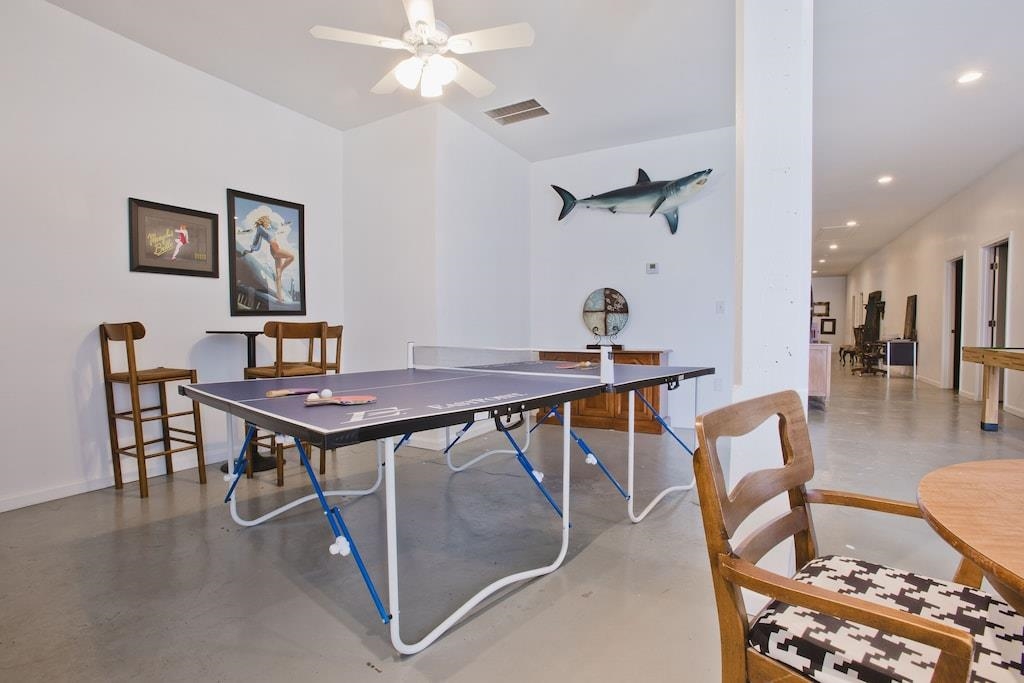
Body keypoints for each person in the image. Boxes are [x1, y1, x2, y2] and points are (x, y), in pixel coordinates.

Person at [246, 215, 295, 303]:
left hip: (274, 249)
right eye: (267, 220)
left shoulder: (270, 229)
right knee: (291, 256)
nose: (269, 222)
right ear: (264, 220)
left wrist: (286, 223)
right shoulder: (260, 228)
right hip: (275, 249)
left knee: (278, 276)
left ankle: (279, 298)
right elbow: (256, 239)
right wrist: (251, 249)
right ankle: (282, 269)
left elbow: (279, 225)